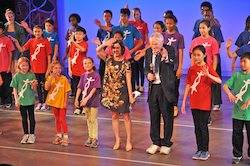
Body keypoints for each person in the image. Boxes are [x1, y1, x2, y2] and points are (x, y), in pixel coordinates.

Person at [181, 45, 221, 160]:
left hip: (205, 103)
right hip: (194, 103)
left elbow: (219, 80)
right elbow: (188, 85)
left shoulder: (208, 68)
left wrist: (208, 75)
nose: (196, 57)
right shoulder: (191, 69)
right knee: (197, 127)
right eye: (194, 55)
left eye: (199, 55)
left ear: (204, 55)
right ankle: (199, 149)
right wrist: (184, 102)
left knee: (203, 127)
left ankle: (205, 150)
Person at [96, 38, 135, 151]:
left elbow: (128, 80)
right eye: (113, 48)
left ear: (122, 49)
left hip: (122, 93)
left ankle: (128, 139)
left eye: (118, 48)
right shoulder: (108, 59)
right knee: (114, 116)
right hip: (110, 93)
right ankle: (118, 139)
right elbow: (98, 50)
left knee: (126, 117)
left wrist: (131, 96)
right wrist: (105, 44)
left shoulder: (126, 62)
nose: (115, 50)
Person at [94, 8, 143, 92]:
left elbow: (141, 42)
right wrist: (100, 26)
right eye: (121, 16)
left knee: (130, 78)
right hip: (117, 57)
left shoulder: (132, 28)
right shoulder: (117, 28)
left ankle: (131, 96)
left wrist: (132, 50)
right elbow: (108, 29)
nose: (123, 18)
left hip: (129, 57)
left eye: (124, 16)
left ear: (128, 17)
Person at [144, 32, 176, 155]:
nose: (154, 46)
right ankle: (155, 142)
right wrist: (148, 74)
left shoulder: (169, 49)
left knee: (167, 117)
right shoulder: (148, 52)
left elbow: (174, 61)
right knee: (154, 116)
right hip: (153, 88)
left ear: (162, 42)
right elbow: (146, 67)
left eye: (156, 44)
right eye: (152, 44)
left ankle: (166, 143)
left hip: (165, 89)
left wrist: (166, 57)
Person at [10, 25, 52, 111]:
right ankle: (40, 102)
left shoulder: (46, 42)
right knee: (38, 87)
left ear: (42, 32)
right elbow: (21, 50)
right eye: (35, 31)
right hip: (34, 69)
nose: (37, 33)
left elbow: (48, 56)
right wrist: (16, 42)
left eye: (39, 31)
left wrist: (48, 68)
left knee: (45, 86)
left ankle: (46, 103)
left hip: (44, 69)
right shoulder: (31, 41)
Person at [193, 9, 224, 111]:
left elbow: (215, 54)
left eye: (203, 28)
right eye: (200, 28)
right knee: (201, 91)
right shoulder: (196, 39)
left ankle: (215, 104)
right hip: (199, 68)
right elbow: (193, 54)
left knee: (213, 87)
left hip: (211, 66)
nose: (201, 30)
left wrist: (212, 71)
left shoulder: (215, 33)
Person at [223, 52, 250, 164]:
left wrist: (248, 101)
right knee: (236, 135)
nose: (242, 63)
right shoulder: (237, 75)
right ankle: (237, 154)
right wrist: (229, 94)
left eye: (245, 61)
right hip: (237, 112)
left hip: (248, 114)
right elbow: (225, 85)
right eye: (241, 61)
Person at [75, 57, 101, 148]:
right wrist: (77, 98)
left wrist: (87, 99)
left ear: (93, 64)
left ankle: (95, 138)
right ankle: (90, 136)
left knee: (94, 119)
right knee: (88, 119)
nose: (87, 65)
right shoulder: (83, 76)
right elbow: (79, 87)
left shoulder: (96, 75)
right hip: (85, 101)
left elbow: (94, 89)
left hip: (93, 101)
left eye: (89, 63)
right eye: (85, 63)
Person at [10, 57, 37, 144]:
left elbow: (34, 88)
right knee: (24, 118)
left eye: (26, 65)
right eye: (23, 65)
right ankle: (25, 134)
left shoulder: (31, 75)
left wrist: (33, 85)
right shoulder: (17, 76)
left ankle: (32, 135)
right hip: (22, 101)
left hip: (30, 100)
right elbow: (15, 89)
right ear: (19, 66)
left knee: (31, 118)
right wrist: (16, 100)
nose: (25, 67)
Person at [45, 61, 71, 146]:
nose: (58, 70)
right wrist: (51, 77)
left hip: (62, 102)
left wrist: (65, 102)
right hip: (54, 102)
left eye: (59, 68)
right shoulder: (50, 78)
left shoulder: (64, 79)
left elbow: (66, 92)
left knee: (62, 119)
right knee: (57, 119)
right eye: (56, 68)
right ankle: (59, 136)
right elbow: (46, 87)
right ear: (52, 69)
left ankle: (66, 137)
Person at [163, 14, 185, 117]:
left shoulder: (179, 37)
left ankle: (174, 106)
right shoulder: (162, 35)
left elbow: (180, 52)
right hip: (164, 67)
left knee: (175, 87)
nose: (168, 25)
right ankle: (166, 107)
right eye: (167, 23)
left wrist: (180, 67)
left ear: (175, 24)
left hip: (175, 67)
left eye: (171, 23)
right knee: (165, 87)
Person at [67, 27, 88, 114]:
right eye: (76, 34)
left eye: (80, 34)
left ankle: (84, 107)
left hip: (82, 70)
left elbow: (83, 50)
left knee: (83, 89)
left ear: (84, 35)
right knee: (76, 89)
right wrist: (69, 69)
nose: (78, 36)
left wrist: (74, 42)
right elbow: (70, 57)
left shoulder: (85, 44)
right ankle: (78, 106)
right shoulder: (72, 44)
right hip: (74, 70)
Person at [128, 7, 149, 92]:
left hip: (141, 49)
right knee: (135, 68)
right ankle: (136, 85)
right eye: (133, 14)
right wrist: (127, 10)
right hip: (133, 50)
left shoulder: (144, 24)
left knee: (141, 68)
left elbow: (146, 38)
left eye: (137, 14)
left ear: (140, 14)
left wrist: (146, 50)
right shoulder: (130, 23)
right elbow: (121, 22)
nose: (135, 16)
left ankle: (142, 85)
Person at [4, 9, 26, 77]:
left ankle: (18, 84)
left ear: (14, 16)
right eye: (9, 17)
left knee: (17, 68)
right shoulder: (5, 27)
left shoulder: (19, 27)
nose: (10, 18)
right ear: (6, 18)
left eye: (11, 16)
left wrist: (22, 53)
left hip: (17, 49)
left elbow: (23, 41)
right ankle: (14, 86)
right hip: (8, 50)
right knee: (11, 68)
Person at [0, 21, 15, 108]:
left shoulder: (7, 40)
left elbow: (10, 53)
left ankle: (8, 100)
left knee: (7, 84)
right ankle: (1, 100)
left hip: (5, 66)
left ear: (3, 30)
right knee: (0, 85)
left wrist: (10, 66)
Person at [97, 10, 113, 85]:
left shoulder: (113, 28)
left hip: (110, 52)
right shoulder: (100, 29)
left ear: (111, 17)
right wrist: (98, 51)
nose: (106, 17)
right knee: (102, 70)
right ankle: (101, 87)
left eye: (108, 16)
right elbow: (98, 40)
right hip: (103, 50)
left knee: (110, 69)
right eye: (105, 16)